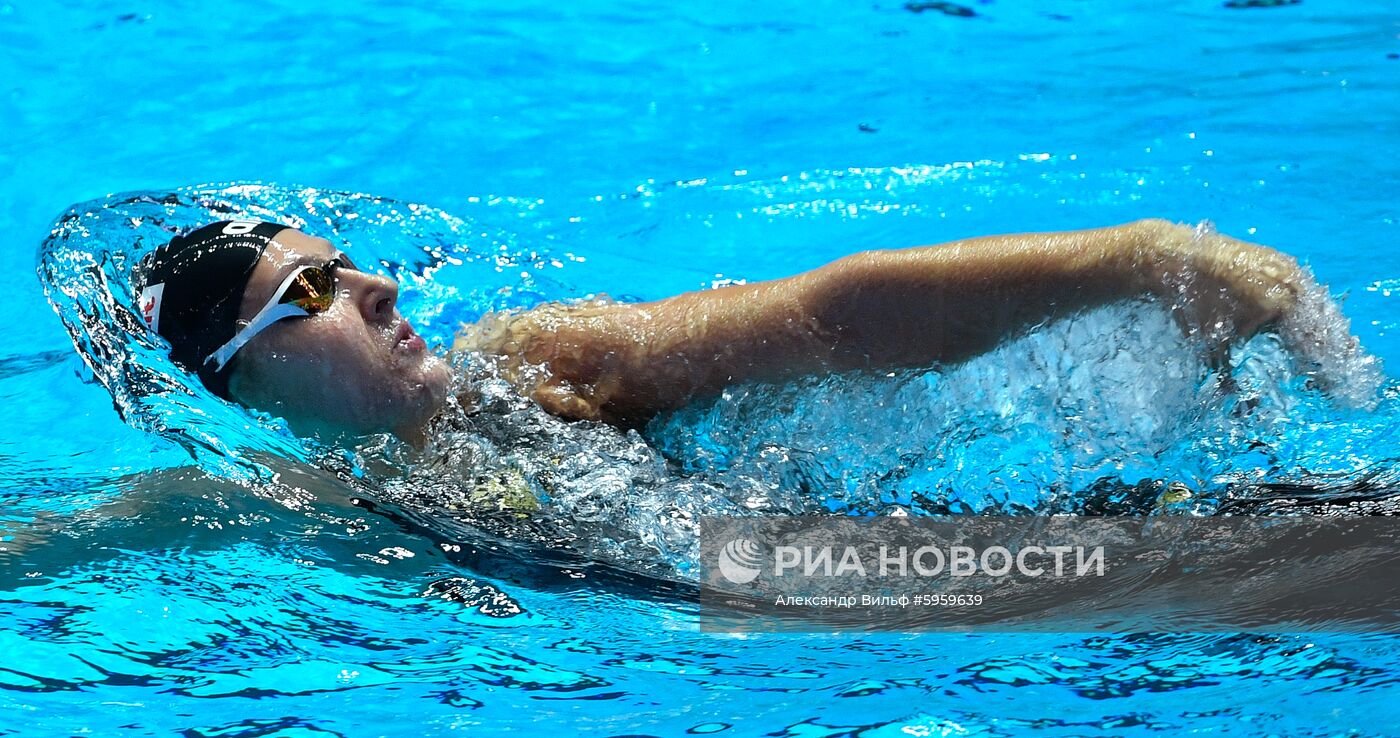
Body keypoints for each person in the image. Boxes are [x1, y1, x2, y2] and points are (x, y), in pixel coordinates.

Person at [133, 218, 1306, 446]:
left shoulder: (539, 369)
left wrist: (1150, 258)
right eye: (310, 294)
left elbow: (826, 313)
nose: (379, 287)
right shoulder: (263, 506)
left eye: (345, 267)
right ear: (238, 385)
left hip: (844, 574)